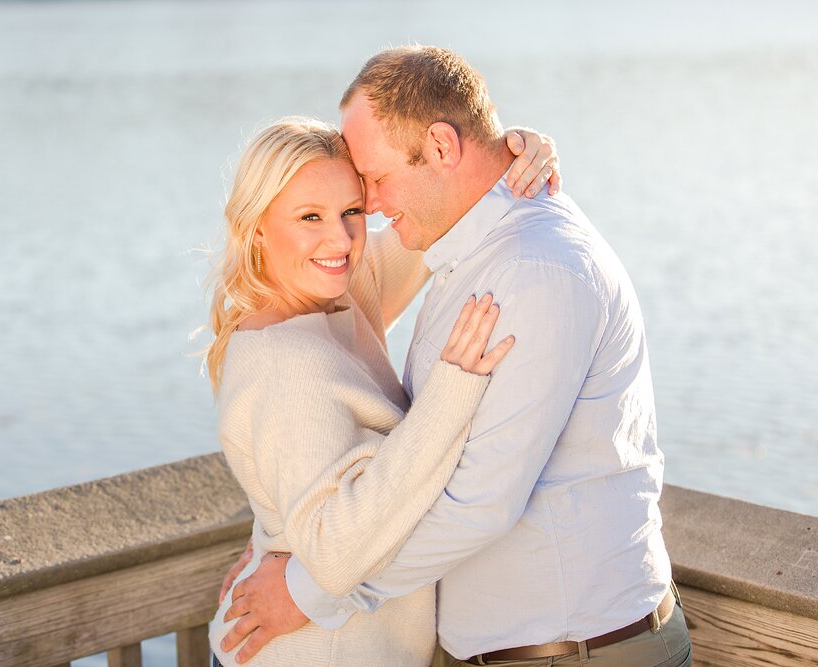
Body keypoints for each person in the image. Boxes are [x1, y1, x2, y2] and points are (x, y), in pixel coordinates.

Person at [220, 46, 693, 667]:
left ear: (443, 147)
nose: (369, 211)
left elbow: (479, 502)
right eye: (319, 212)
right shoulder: (430, 250)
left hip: (573, 651)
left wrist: (308, 593)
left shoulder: (527, 269)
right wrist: (279, 537)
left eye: (369, 190)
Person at [204, 116, 558, 666]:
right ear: (256, 228)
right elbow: (333, 553)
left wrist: (510, 159)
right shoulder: (285, 363)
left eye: (351, 211)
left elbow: (440, 210)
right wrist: (451, 393)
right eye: (309, 217)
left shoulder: (337, 296)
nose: (339, 238)